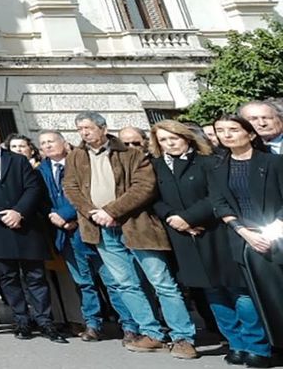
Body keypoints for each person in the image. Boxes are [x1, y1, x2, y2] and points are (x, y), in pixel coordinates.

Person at [61, 111, 194, 356]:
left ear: (103, 128)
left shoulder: (130, 153)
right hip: (100, 229)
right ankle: (151, 332)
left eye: (88, 127)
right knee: (126, 284)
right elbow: (70, 187)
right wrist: (92, 212)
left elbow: (144, 188)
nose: (84, 133)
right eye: (80, 129)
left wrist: (111, 211)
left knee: (162, 282)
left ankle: (183, 337)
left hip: (136, 226)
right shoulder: (76, 156)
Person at [150, 119, 270, 365]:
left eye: (174, 137)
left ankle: (256, 345)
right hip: (184, 237)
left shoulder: (209, 161)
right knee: (212, 292)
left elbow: (216, 196)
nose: (169, 143)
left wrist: (189, 217)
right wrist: (173, 219)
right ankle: (235, 343)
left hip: (215, 233)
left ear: (186, 137)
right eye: (163, 139)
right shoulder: (157, 166)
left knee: (238, 290)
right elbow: (156, 199)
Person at [0, 119, 64, 343]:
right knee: (8, 278)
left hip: (25, 225)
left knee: (36, 277)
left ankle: (45, 320)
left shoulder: (17, 159)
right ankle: (21, 319)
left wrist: (18, 212)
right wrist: (2, 214)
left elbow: (33, 187)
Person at [211, 114, 283, 361]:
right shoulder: (218, 168)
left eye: (233, 129)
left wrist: (271, 231)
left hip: (276, 233)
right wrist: (243, 232)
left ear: (250, 134)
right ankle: (271, 348)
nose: (226, 135)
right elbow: (220, 205)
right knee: (261, 296)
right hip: (244, 238)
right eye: (220, 131)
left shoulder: (273, 162)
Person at [35, 130, 105, 341]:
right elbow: (42, 198)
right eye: (43, 143)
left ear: (64, 143)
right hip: (64, 235)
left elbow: (90, 193)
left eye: (51, 141)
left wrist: (67, 215)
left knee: (112, 280)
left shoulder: (81, 163)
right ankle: (93, 324)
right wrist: (55, 217)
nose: (47, 146)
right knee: (83, 282)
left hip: (91, 227)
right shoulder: (41, 171)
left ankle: (129, 324)